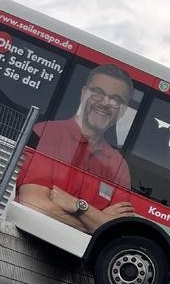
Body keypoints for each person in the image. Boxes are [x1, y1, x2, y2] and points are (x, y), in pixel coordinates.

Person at [15, 64, 136, 234]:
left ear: (123, 110)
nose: (105, 103)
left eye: (116, 99)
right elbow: (33, 203)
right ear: (83, 93)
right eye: (98, 93)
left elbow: (117, 231)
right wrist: (97, 220)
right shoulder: (46, 133)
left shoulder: (119, 166)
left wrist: (77, 205)